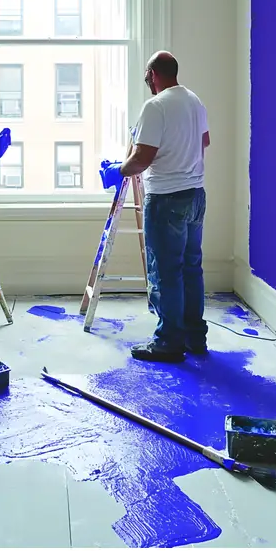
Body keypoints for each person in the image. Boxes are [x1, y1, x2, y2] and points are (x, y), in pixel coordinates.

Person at [103, 51, 210, 363]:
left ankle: (168, 343)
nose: (147, 81)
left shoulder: (156, 106)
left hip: (166, 198)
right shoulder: (195, 101)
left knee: (165, 273)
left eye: (147, 76)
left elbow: (142, 159)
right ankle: (194, 337)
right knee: (192, 268)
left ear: (153, 74)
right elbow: (203, 143)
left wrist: (117, 170)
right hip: (195, 195)